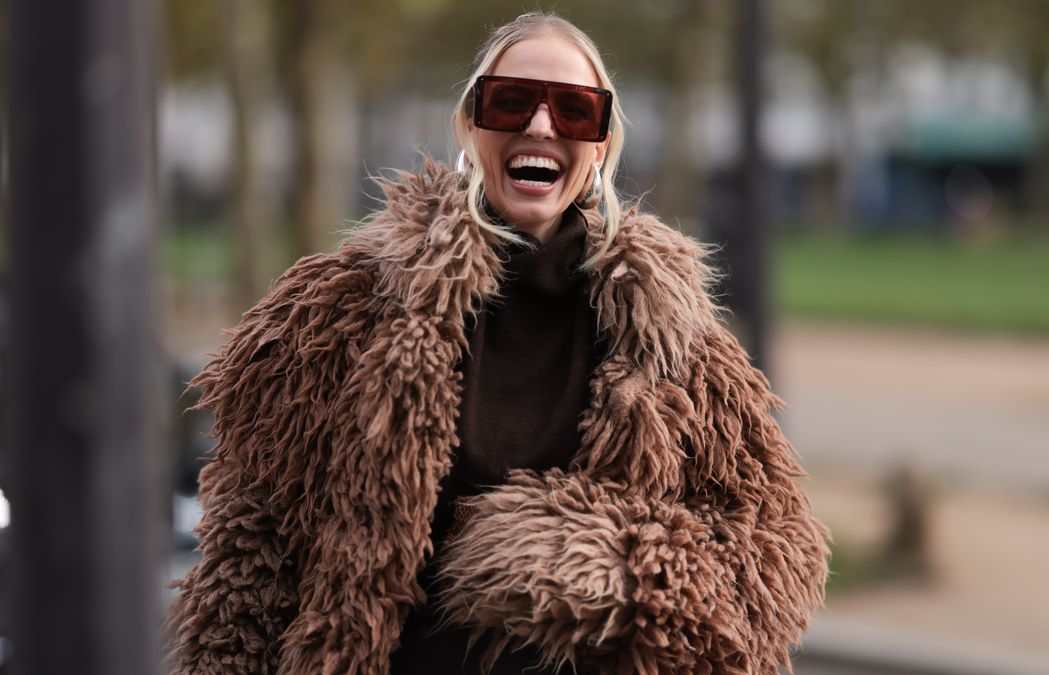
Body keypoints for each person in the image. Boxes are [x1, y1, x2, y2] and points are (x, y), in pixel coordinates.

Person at [166, 11, 830, 675]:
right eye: (511, 101)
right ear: (471, 125)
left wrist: (594, 563)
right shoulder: (340, 313)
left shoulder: (674, 344)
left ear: (600, 146)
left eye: (575, 111)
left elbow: (775, 554)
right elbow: (248, 557)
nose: (540, 126)